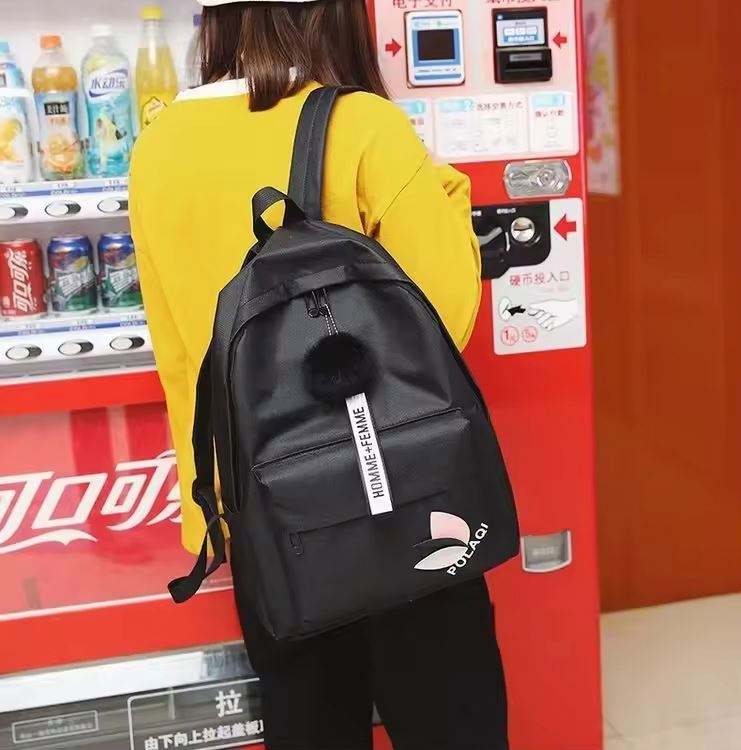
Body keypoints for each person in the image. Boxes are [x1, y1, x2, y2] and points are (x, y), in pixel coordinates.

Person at [129, 1, 509, 748]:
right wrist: (446, 189)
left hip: (262, 511)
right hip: (399, 498)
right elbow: (445, 317)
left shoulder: (157, 141)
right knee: (449, 722)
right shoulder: (362, 125)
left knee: (310, 724)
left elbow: (177, 348)